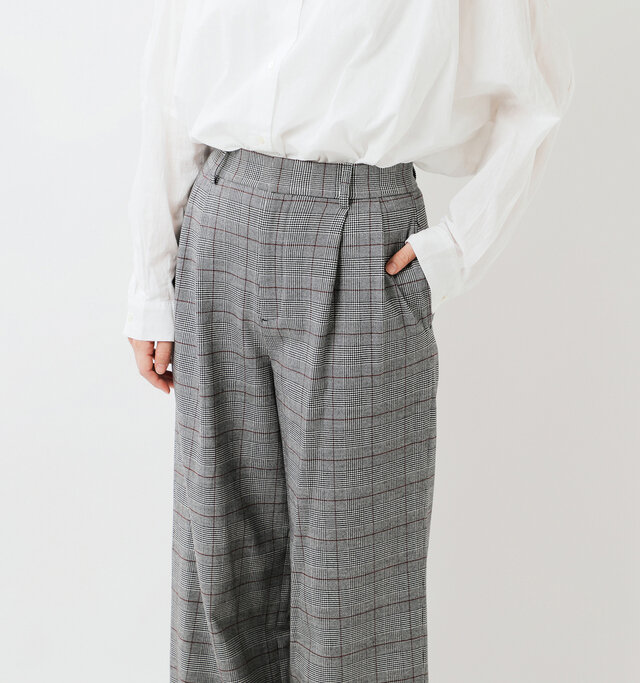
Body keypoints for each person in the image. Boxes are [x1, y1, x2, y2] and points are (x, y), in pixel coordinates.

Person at [123, 1, 574, 680]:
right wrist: (152, 280)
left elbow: (535, 91)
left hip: (361, 231)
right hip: (219, 217)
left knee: (353, 593)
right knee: (218, 578)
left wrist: (457, 249)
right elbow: (169, 77)